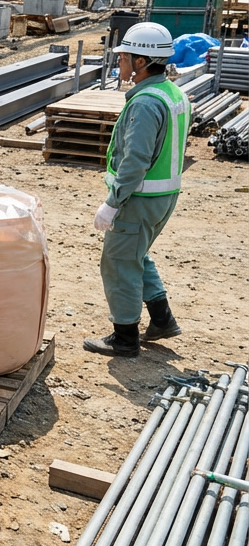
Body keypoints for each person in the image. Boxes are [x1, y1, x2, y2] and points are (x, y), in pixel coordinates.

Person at [84, 22, 190, 358]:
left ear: (141, 62)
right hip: (163, 197)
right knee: (136, 255)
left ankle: (125, 337)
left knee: (119, 262)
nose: (120, 64)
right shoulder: (173, 93)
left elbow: (135, 161)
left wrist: (113, 203)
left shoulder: (145, 103)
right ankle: (161, 319)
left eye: (125, 58)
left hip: (139, 199)